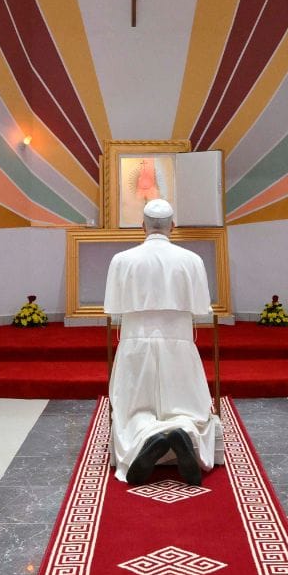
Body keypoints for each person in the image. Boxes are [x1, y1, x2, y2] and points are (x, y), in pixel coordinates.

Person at [103, 199, 221, 486]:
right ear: (174, 226)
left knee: (132, 407)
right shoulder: (192, 260)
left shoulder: (122, 259)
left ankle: (146, 436)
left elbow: (112, 308)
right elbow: (201, 307)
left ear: (142, 226)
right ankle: (182, 430)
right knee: (187, 405)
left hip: (135, 343)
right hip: (178, 342)